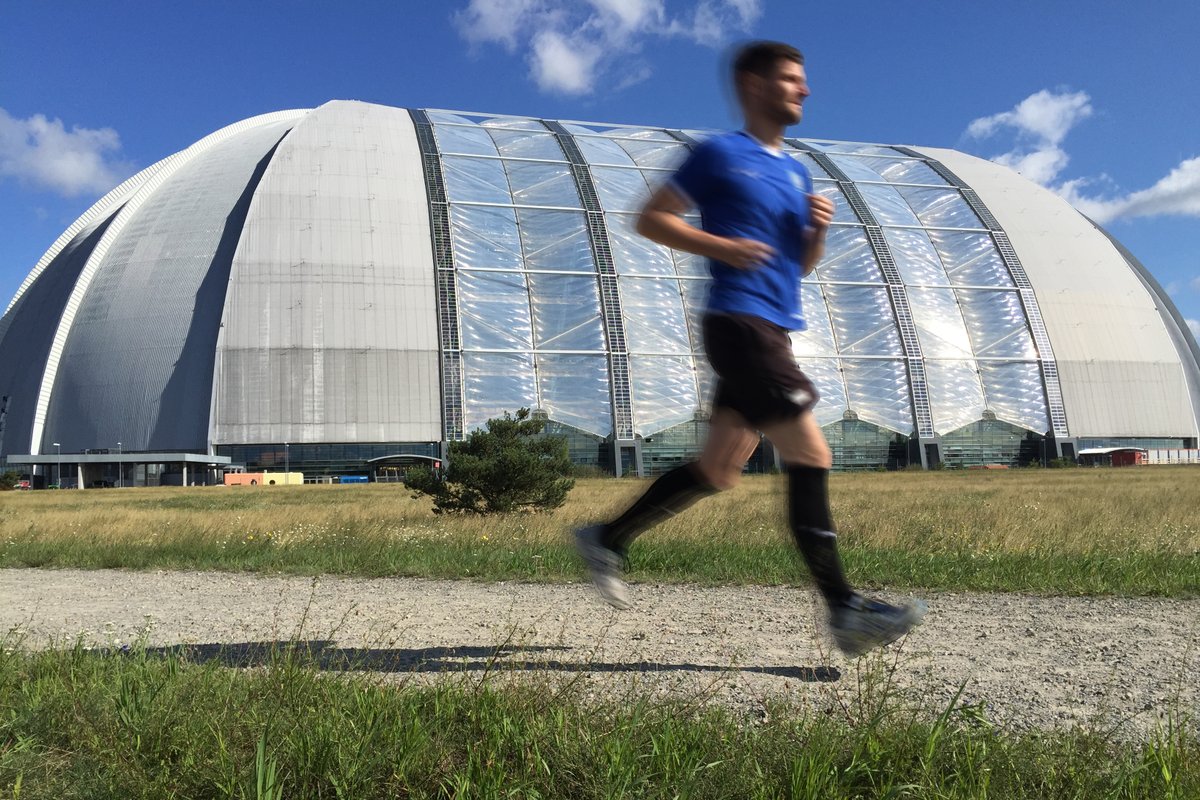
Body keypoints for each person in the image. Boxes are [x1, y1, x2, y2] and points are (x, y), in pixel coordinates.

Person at [575, 40, 925, 658]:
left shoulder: (796, 171)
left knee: (718, 470)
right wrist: (724, 248)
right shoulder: (719, 155)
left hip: (774, 327)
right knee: (811, 453)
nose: (806, 89)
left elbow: (803, 264)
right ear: (755, 86)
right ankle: (844, 609)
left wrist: (815, 232)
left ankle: (607, 536)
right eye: (793, 79)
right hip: (740, 325)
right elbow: (651, 218)